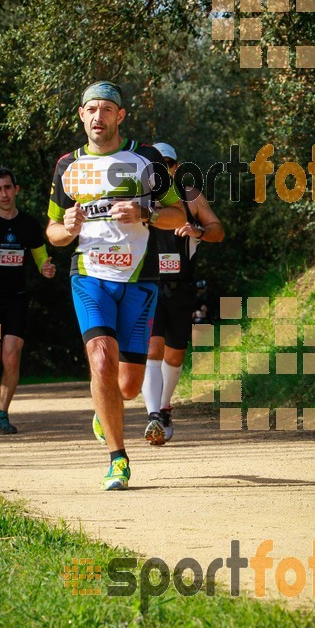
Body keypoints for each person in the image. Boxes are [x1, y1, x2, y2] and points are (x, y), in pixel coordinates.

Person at [46, 81, 185, 490]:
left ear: (120, 116)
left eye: (107, 109)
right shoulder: (67, 166)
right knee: (102, 362)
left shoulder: (146, 160)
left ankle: (103, 408)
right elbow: (52, 231)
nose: (98, 117)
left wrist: (145, 211)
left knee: (126, 386)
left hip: (140, 280)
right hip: (89, 277)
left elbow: (178, 216)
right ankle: (118, 459)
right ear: (81, 114)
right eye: (91, 109)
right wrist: (65, 229)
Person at [141, 143, 224, 445]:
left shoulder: (190, 196)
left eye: (169, 163)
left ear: (177, 167)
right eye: (156, 164)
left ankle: (163, 408)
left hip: (181, 286)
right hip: (148, 286)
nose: (163, 168)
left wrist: (197, 231)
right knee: (152, 348)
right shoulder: (139, 199)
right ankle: (153, 415)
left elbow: (218, 230)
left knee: (175, 354)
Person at [0, 167, 56, 434]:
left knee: (12, 358)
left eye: (7, 187)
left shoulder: (29, 225)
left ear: (16, 189)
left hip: (17, 299)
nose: (4, 194)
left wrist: (45, 269)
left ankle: (2, 415)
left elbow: (41, 257)